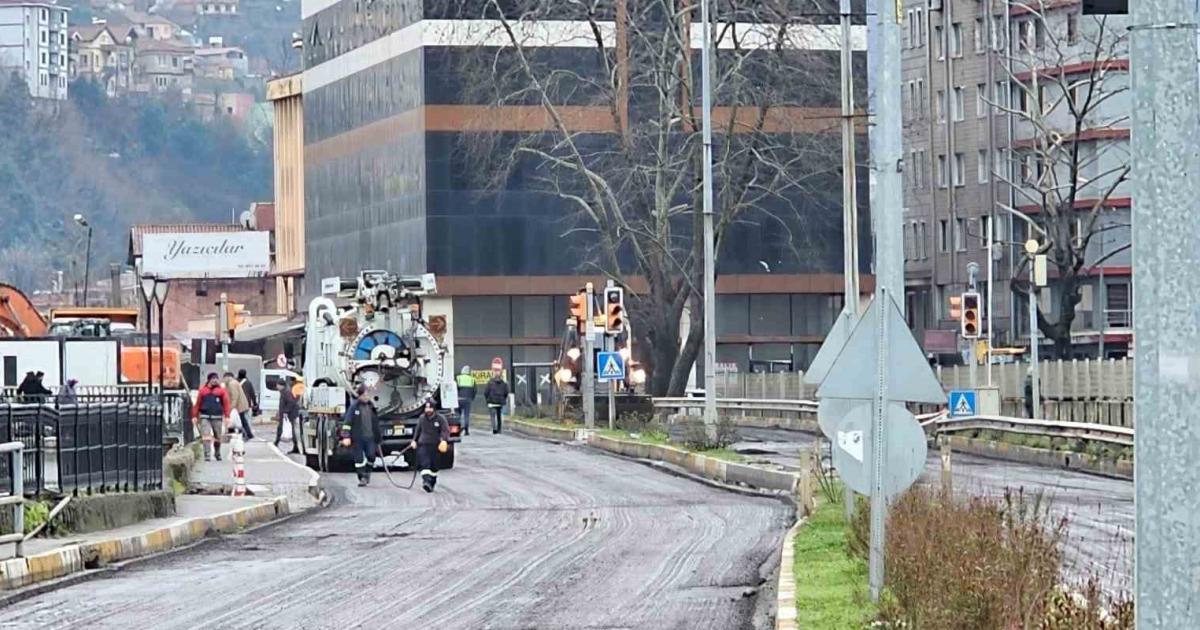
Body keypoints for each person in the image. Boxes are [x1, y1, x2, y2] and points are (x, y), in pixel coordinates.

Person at [341, 384, 380, 487]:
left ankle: (367, 472)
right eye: (365, 394)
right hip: (357, 438)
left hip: (370, 437)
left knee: (371, 456)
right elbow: (347, 422)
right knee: (359, 459)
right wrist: (346, 436)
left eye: (368, 394)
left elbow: (376, 422)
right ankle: (362, 477)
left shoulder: (371, 407)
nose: (367, 397)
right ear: (360, 395)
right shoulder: (354, 407)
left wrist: (378, 437)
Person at [190, 372, 231, 462]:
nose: (215, 380)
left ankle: (217, 452)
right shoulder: (203, 391)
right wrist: (194, 416)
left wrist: (227, 416)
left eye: (216, 378)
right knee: (206, 436)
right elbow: (197, 404)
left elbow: (226, 404)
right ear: (209, 380)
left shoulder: (221, 391)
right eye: (213, 378)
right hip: (205, 416)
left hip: (217, 417)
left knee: (218, 436)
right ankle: (207, 455)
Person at [411, 400, 450, 493]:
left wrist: (444, 440)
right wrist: (414, 441)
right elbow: (418, 430)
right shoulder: (422, 418)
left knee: (434, 466)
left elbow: (445, 430)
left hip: (436, 445)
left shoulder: (440, 419)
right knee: (425, 464)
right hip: (423, 444)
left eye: (430, 408)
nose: (428, 410)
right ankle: (426, 481)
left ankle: (431, 483)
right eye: (426, 408)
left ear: (434, 409)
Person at [223, 372, 254, 440]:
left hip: (239, 405)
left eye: (224, 378)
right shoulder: (232, 383)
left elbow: (235, 396)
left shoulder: (232, 384)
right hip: (240, 405)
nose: (224, 380)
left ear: (227, 377)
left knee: (242, 420)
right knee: (243, 420)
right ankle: (248, 434)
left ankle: (247, 434)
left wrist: (231, 407)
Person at [275, 379, 302, 454]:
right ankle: (277, 442)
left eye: (277, 385)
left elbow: (291, 402)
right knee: (284, 428)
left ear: (281, 385)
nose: (276, 386)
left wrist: (286, 411)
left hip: (291, 414)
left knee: (292, 430)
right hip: (288, 414)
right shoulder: (284, 392)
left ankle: (295, 446)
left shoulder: (286, 392)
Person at [484, 368, 510, 435]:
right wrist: (503, 399)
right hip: (500, 402)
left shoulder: (490, 382)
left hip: (491, 402)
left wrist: (487, 399)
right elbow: (506, 392)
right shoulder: (504, 383)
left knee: (493, 416)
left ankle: (494, 429)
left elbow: (486, 392)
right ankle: (499, 429)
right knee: (499, 416)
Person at [455, 366, 476, 436]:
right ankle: (466, 430)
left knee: (458, 415)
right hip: (467, 399)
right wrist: (471, 398)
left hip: (459, 399)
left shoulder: (458, 378)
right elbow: (475, 390)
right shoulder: (472, 379)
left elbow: (455, 388)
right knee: (466, 415)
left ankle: (457, 430)